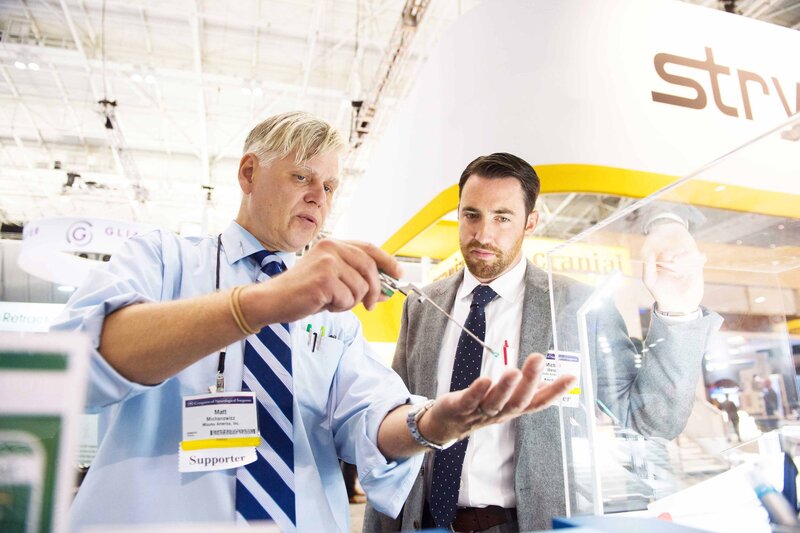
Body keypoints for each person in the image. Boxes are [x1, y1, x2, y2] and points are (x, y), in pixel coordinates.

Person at [51, 116, 574, 532]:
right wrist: (258, 304)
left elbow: (371, 420)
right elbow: (80, 367)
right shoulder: (162, 262)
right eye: (301, 176)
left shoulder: (334, 319)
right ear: (249, 173)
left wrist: (435, 424)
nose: (318, 197)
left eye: (329, 186)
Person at [364, 152, 723, 533]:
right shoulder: (423, 306)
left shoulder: (575, 305)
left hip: (521, 523)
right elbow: (394, 424)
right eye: (471, 215)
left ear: (530, 222)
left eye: (502, 217)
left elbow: (651, 419)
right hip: (422, 522)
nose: (483, 235)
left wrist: (677, 312)